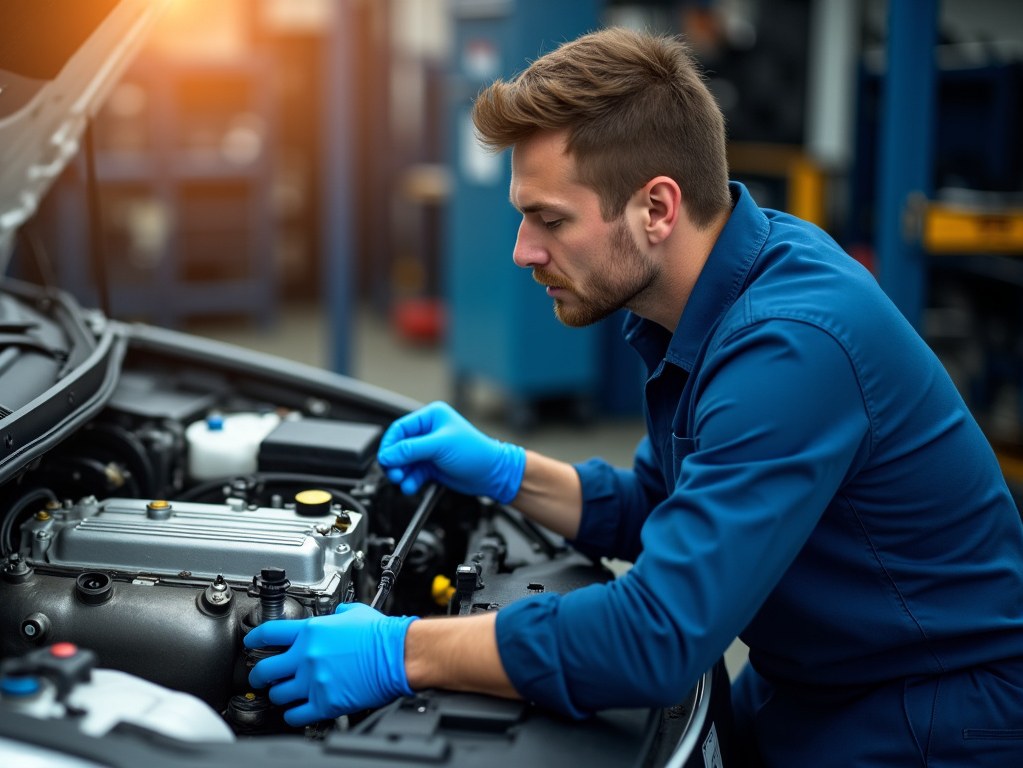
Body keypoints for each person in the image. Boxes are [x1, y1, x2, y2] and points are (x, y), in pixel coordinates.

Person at [244, 28, 1023, 767]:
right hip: (818, 677)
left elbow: (657, 637)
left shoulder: (788, 349)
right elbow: (660, 504)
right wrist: (507, 471)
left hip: (928, 710)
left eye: (551, 219)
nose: (523, 251)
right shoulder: (719, 287)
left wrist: (400, 651)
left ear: (657, 208)